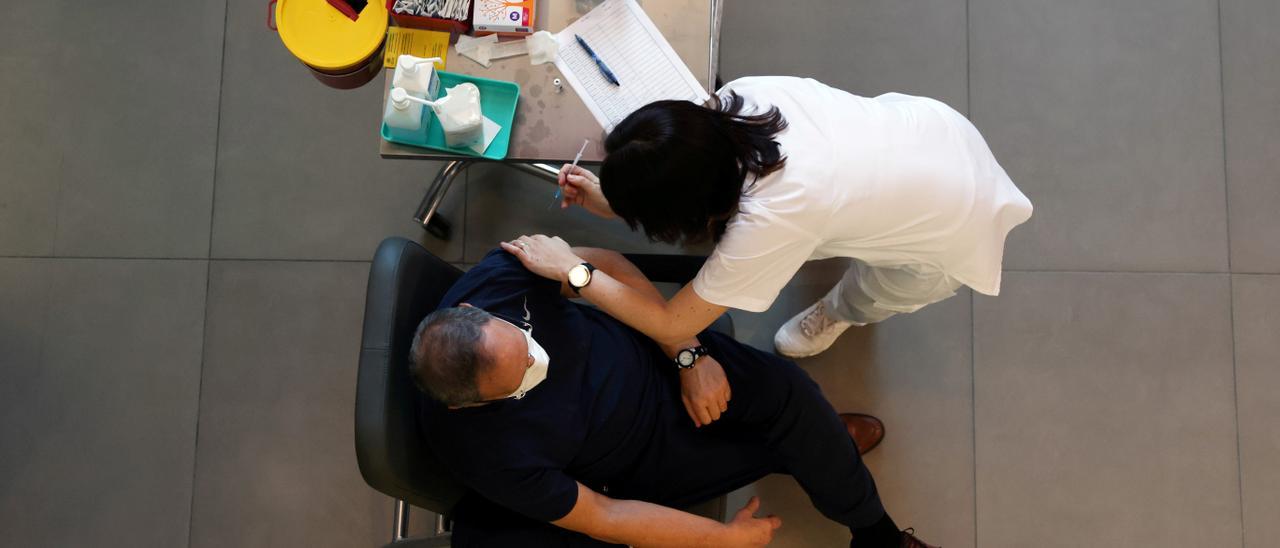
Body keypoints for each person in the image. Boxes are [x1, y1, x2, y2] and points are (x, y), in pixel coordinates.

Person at [412, 246, 938, 547]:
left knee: (792, 394)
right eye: (522, 373)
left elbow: (607, 269)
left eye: (523, 338)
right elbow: (604, 516)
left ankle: (871, 530)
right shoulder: (485, 455)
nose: (536, 356)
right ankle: (814, 453)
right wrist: (722, 540)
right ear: (470, 404)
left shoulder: (497, 281)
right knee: (795, 438)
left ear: (475, 312)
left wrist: (685, 352)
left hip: (660, 353)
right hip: (646, 453)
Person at [519, 75, 1032, 360]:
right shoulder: (740, 98)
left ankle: (840, 312)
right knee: (829, 221)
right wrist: (621, 195)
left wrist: (574, 271)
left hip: (952, 221)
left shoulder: (774, 219)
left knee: (878, 291)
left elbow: (673, 322)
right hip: (928, 131)